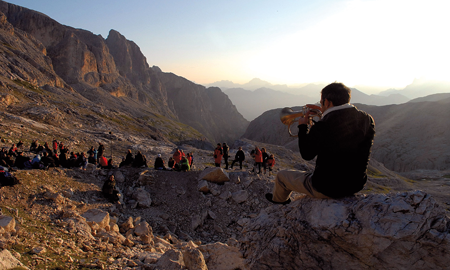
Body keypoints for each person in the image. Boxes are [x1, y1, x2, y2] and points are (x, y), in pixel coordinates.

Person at [266, 82, 376, 204]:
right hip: (355, 185)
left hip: (327, 188)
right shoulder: (367, 119)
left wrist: (303, 126)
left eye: (321, 102)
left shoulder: (323, 126)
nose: (320, 105)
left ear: (327, 102)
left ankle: (278, 205)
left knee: (282, 176)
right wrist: (325, 113)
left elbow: (307, 154)